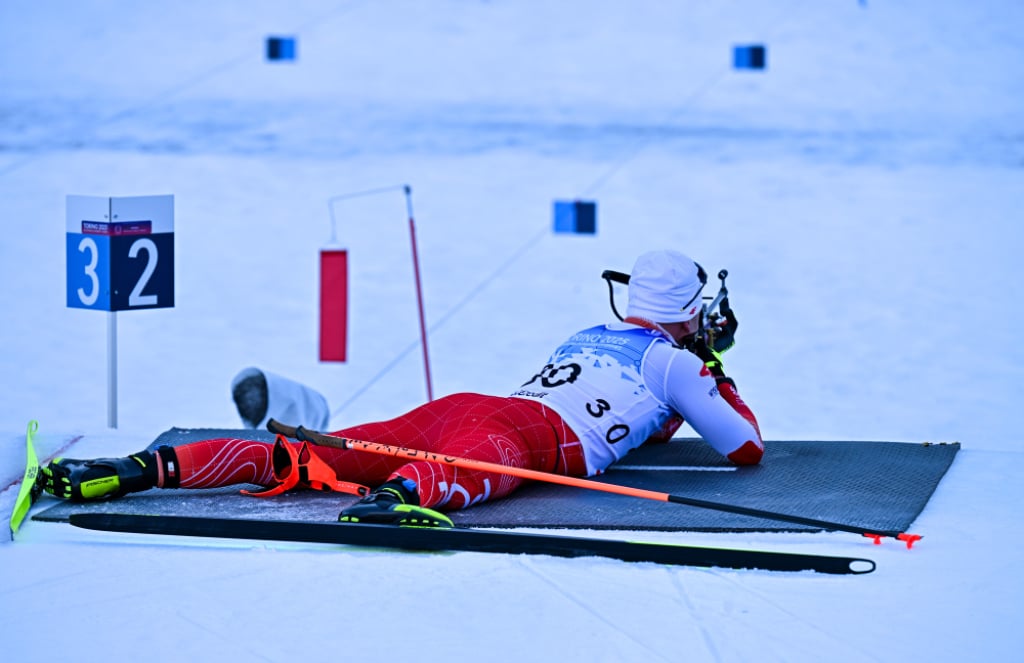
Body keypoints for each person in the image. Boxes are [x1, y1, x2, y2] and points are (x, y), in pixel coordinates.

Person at [41, 249, 763, 528]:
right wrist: (713, 370)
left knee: (317, 454)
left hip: (465, 403)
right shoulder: (675, 363)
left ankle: (140, 468)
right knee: (475, 471)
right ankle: (399, 500)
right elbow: (744, 447)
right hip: (525, 433)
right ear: (690, 313)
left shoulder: (589, 332)